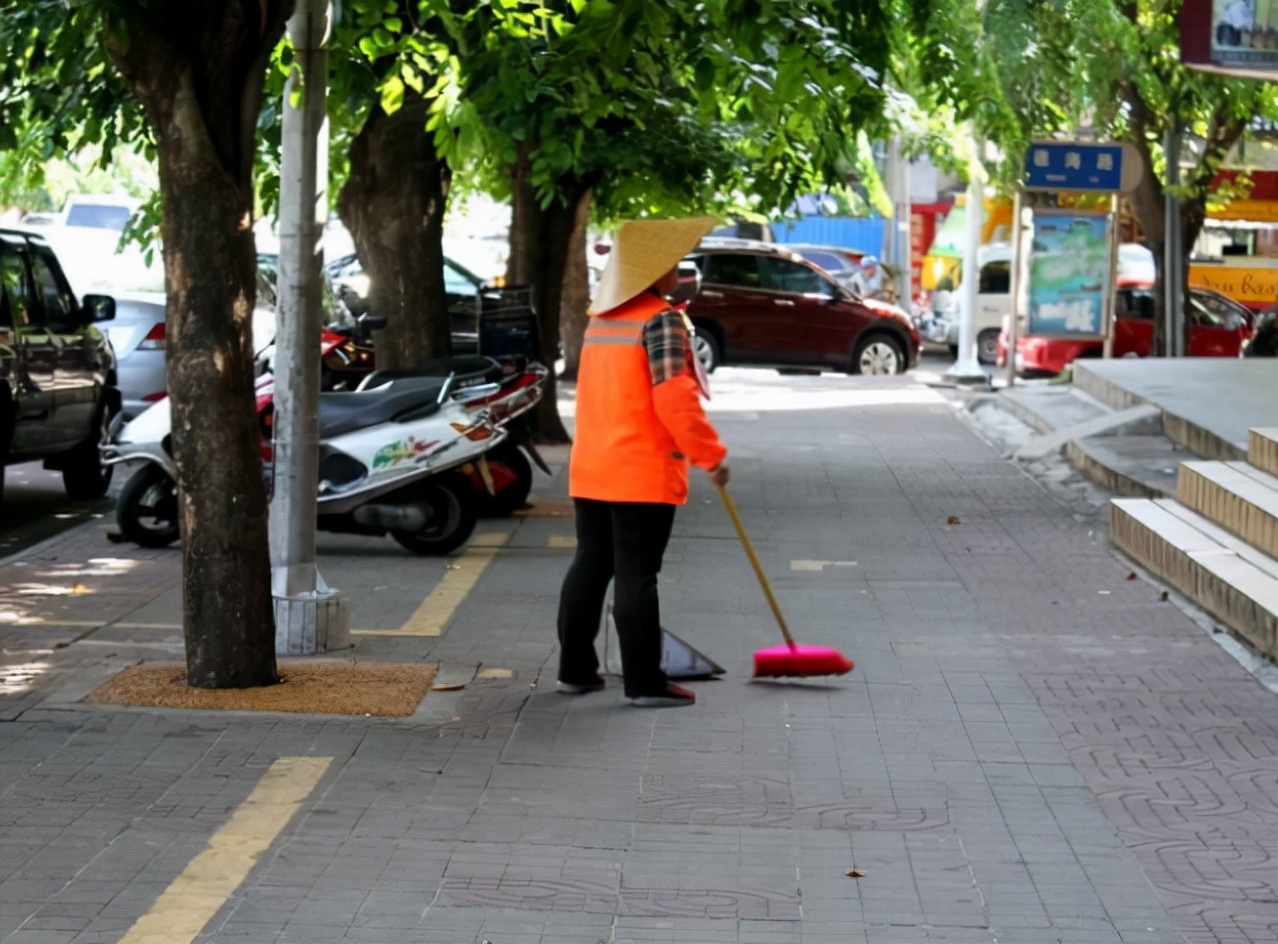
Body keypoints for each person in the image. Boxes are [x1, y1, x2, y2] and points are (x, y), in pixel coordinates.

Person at [555, 216, 729, 708]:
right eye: (671, 261)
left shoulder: (601, 321)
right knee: (637, 574)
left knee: (590, 565)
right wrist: (709, 454)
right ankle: (644, 682)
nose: (678, 268)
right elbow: (673, 398)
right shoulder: (662, 319)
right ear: (654, 271)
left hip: (592, 466)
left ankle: (575, 670)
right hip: (641, 471)